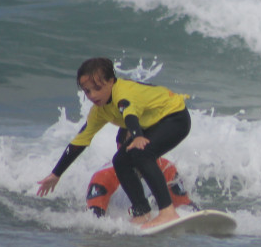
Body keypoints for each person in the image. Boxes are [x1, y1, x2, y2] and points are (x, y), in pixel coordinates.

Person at [36, 57, 192, 229]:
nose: (93, 95)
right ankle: (142, 211)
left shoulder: (122, 93)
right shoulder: (99, 111)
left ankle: (167, 213)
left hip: (175, 117)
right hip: (153, 123)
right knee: (121, 160)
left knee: (142, 153)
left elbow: (129, 113)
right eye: (87, 91)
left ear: (111, 81)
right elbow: (79, 142)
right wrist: (56, 173)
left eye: (97, 88)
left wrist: (137, 136)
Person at [86, 128, 196, 218]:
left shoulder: (166, 168)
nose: (140, 150)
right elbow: (94, 221)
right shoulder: (103, 177)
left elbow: (186, 208)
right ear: (120, 148)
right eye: (132, 144)